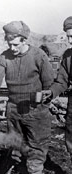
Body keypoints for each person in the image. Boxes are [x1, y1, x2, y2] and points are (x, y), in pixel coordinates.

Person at [0, 21, 54, 174]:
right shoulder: (4, 57)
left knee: (37, 145)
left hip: (36, 110)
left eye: (15, 44)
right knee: (14, 143)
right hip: (13, 108)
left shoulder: (38, 56)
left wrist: (44, 99)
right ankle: (15, 171)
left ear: (24, 40)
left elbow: (49, 84)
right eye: (9, 44)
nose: (12, 48)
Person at [42, 16, 72, 157]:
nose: (70, 41)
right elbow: (62, 81)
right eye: (68, 37)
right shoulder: (68, 56)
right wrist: (51, 92)